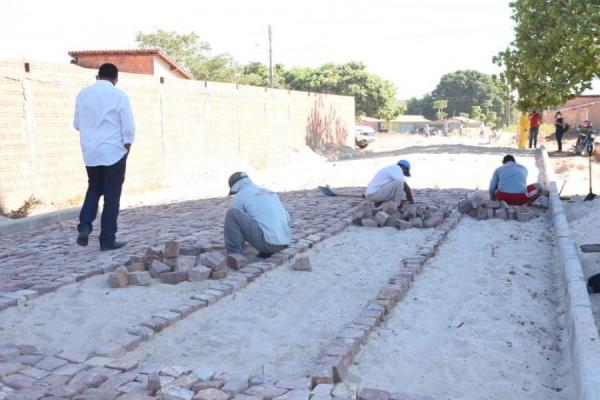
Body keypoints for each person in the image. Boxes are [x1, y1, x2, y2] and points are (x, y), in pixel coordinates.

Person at [73, 63, 135, 251]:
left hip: (90, 152)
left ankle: (84, 226)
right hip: (114, 152)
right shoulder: (119, 96)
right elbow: (129, 128)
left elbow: (77, 124)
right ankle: (107, 240)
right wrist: (126, 148)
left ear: (97, 76)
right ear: (116, 79)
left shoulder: (82, 95)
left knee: (93, 188)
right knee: (111, 197)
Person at [224, 172, 291, 256]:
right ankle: (269, 246)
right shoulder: (270, 192)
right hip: (285, 243)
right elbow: (287, 217)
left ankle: (234, 254)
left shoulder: (240, 196)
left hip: (268, 245)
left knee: (232, 213)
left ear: (235, 187)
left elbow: (237, 225)